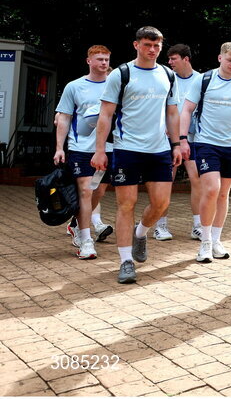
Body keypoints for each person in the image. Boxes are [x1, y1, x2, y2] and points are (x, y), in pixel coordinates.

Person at [92, 26, 182, 284]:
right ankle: (125, 262)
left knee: (161, 203)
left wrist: (177, 144)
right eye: (147, 45)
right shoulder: (121, 74)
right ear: (136, 45)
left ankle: (140, 233)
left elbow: (173, 112)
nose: (152, 50)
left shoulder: (167, 74)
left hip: (160, 149)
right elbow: (106, 115)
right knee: (126, 204)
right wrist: (100, 150)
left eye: (156, 46)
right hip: (127, 148)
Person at [179, 42, 231, 263]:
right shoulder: (203, 80)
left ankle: (216, 240)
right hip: (205, 143)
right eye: (229, 60)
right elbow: (186, 110)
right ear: (220, 58)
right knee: (212, 189)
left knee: (224, 194)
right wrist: (183, 139)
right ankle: (204, 243)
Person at [53, 45, 115, 259]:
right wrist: (60, 148)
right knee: (86, 191)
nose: (104, 63)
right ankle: (86, 241)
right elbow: (64, 118)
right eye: (99, 59)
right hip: (81, 149)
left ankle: (77, 223)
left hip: (110, 148)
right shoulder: (74, 86)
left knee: (98, 192)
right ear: (89, 61)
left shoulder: (116, 85)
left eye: (106, 59)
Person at [162, 43, 204, 241]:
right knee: (165, 181)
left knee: (197, 180)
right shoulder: (166, 79)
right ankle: (161, 226)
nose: (169, 62)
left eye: (173, 59)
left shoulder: (201, 80)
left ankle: (197, 226)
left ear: (186, 59)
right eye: (169, 59)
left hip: (192, 138)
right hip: (167, 138)